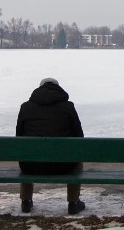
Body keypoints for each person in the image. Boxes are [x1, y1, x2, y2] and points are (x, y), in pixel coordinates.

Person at [15, 77, 86, 215]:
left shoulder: (25, 107)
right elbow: (79, 137)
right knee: (77, 160)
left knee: (26, 155)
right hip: (64, 166)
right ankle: (73, 202)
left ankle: (26, 201)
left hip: (31, 166)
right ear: (58, 88)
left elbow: (19, 138)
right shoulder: (68, 107)